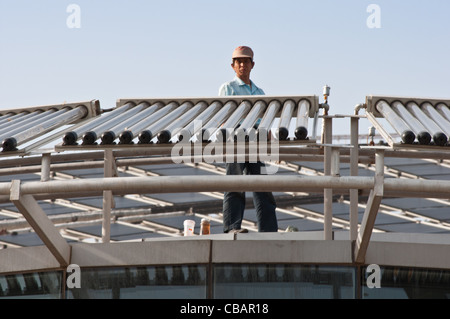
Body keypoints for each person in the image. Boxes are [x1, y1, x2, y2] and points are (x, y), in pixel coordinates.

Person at [218, 46, 278, 233]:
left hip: (256, 141)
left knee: (263, 187)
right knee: (235, 184)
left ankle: (269, 231)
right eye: (239, 62)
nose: (242, 65)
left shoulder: (259, 92)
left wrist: (268, 136)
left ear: (253, 65)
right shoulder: (228, 88)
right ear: (233, 66)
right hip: (236, 139)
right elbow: (224, 117)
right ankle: (232, 227)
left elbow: (264, 119)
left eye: (246, 61)